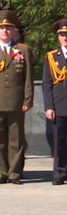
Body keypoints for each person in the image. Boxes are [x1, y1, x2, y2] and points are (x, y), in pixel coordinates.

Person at [0, 10, 33, 185]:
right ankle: (0, 173)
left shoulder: (23, 50)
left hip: (16, 101)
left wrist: (27, 100)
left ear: (14, 31)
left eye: (8, 28)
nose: (4, 31)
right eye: (1, 28)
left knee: (16, 140)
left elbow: (28, 78)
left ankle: (15, 173)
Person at [43, 19, 67, 185]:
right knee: (59, 142)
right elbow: (47, 84)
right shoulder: (52, 57)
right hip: (59, 106)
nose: (65, 37)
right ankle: (59, 173)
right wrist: (49, 107)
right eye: (62, 34)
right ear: (58, 37)